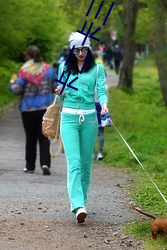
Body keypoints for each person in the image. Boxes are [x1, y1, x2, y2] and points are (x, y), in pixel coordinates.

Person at [55, 32, 108, 223]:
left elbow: (101, 90)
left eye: (84, 50)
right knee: (74, 163)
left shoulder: (97, 68)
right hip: (68, 118)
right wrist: (60, 92)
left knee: (86, 164)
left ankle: (82, 201)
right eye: (76, 50)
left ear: (89, 50)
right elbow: (60, 97)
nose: (80, 53)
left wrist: (104, 104)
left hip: (90, 119)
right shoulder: (63, 67)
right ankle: (77, 205)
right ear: (71, 51)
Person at [9, 45, 57, 175]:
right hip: (45, 109)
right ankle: (45, 163)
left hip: (28, 109)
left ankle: (30, 167)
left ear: (28, 57)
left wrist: (12, 83)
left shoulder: (24, 71)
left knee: (30, 138)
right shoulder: (49, 70)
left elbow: (17, 90)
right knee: (44, 136)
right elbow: (56, 87)